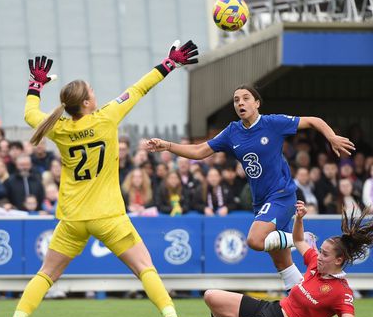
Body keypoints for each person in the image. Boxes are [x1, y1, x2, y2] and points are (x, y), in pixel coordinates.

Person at [0, 44, 201, 317]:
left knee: (46, 274)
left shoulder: (59, 128)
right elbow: (139, 88)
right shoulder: (106, 118)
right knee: (145, 268)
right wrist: (170, 63)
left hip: (73, 218)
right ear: (88, 102)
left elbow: (29, 114)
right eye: (92, 91)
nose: (96, 94)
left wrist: (35, 85)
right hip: (108, 216)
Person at [146, 85, 354, 292]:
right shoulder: (232, 132)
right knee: (283, 265)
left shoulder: (272, 123)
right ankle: (303, 304)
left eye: (246, 98)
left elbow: (313, 121)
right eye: (236, 100)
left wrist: (331, 137)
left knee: (255, 240)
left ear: (257, 103)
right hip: (261, 201)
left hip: (281, 195)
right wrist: (168, 146)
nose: (240, 103)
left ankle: (300, 239)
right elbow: (201, 150)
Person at [197, 200, 373, 317]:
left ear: (339, 260)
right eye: (320, 251)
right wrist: (299, 219)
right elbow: (300, 240)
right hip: (271, 308)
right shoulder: (314, 263)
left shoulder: (341, 290)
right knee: (211, 296)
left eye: (325, 254)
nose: (319, 256)